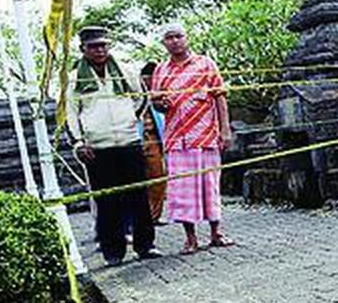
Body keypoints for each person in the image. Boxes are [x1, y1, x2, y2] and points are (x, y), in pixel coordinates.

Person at [65, 26, 160, 265]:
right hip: (97, 148)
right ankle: (113, 252)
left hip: (129, 141)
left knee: (138, 196)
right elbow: (69, 114)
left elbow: (142, 96)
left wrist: (131, 119)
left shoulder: (125, 70)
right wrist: (78, 143)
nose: (99, 50)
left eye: (103, 45)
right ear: (83, 49)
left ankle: (145, 245)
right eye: (93, 46)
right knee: (107, 202)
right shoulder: (74, 79)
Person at [150, 22, 234, 255]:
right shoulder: (161, 70)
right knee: (183, 189)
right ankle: (190, 238)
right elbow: (155, 101)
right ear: (164, 43)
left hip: (206, 136)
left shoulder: (205, 64)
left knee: (210, 186)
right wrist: (160, 104)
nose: (174, 41)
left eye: (178, 36)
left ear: (187, 38)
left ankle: (216, 233)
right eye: (169, 38)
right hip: (177, 139)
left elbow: (220, 97)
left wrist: (225, 130)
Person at [137, 61, 167, 223]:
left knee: (158, 177)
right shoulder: (134, 92)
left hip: (154, 139)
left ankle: (153, 216)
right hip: (134, 140)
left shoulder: (160, 95)